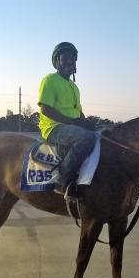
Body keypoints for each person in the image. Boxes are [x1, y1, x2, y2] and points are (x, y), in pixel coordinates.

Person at [38, 42, 96, 195]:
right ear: (57, 61)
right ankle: (64, 180)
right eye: (66, 58)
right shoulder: (50, 79)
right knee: (86, 139)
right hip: (54, 128)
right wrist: (71, 121)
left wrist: (86, 122)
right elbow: (45, 109)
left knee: (99, 136)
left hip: (73, 126)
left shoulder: (74, 87)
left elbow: (78, 112)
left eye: (73, 58)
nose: (70, 61)